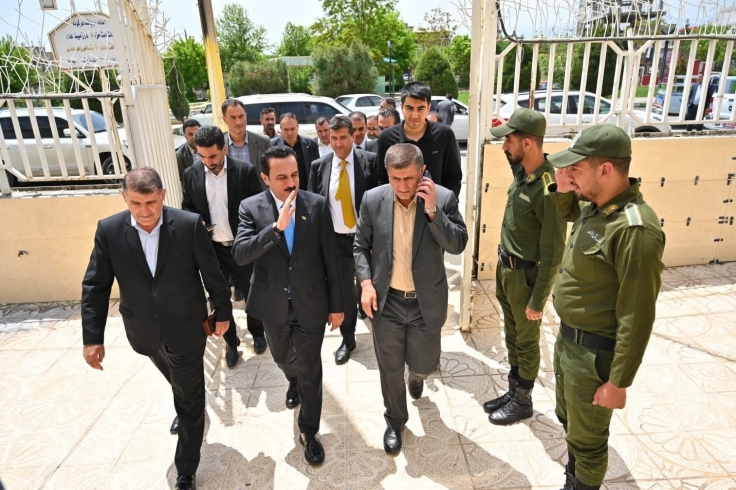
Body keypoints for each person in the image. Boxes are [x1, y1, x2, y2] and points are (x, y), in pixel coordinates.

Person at [81, 168, 232, 490]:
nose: (145, 211)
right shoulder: (108, 230)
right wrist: (92, 338)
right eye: (136, 203)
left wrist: (223, 312)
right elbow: (95, 286)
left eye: (151, 202)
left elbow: (212, 273)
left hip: (187, 328)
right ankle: (187, 401)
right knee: (180, 384)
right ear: (124, 197)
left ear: (163, 195)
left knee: (189, 398)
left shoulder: (188, 225)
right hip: (144, 332)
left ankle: (185, 470)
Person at [547, 124, 665, 490]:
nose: (569, 176)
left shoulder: (634, 230)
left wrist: (619, 382)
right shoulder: (597, 205)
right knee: (570, 421)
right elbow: (571, 211)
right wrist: (564, 187)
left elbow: (637, 314)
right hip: (569, 343)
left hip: (594, 356)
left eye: (576, 169)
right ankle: (573, 476)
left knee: (589, 442)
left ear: (605, 170)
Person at [232, 146, 344, 466]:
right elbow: (241, 254)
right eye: (281, 177)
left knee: (310, 368)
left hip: (310, 302)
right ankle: (292, 380)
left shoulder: (316, 205)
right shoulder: (250, 208)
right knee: (283, 358)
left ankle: (309, 431)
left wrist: (337, 305)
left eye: (295, 174)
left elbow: (331, 258)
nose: (291, 182)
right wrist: (276, 228)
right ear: (265, 178)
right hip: (273, 304)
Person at [354, 143, 468, 454]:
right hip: (387, 301)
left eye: (409, 178)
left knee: (425, 363)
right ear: (387, 174)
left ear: (423, 172)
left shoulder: (443, 198)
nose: (403, 187)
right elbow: (360, 246)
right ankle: (395, 419)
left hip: (425, 302)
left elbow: (458, 244)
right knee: (390, 367)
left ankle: (417, 377)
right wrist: (366, 283)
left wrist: (432, 211)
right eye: (396, 179)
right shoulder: (373, 199)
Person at [483, 109, 566, 425]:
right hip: (507, 271)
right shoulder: (524, 173)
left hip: (527, 276)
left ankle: (523, 401)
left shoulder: (548, 187)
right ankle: (513, 390)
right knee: (512, 335)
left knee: (527, 341)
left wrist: (538, 300)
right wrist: (502, 128)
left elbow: (554, 252)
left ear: (528, 143)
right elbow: (513, 161)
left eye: (509, 140)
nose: (505, 146)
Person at [181, 125, 267, 362]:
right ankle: (231, 342)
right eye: (202, 156)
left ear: (224, 149)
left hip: (243, 247)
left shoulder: (245, 171)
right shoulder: (191, 174)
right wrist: (197, 222)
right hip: (212, 250)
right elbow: (187, 207)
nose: (207, 162)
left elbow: (258, 206)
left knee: (252, 292)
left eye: (212, 156)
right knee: (219, 298)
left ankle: (258, 333)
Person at [307, 115, 379, 364]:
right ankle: (348, 340)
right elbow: (313, 207)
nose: (338, 143)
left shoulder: (370, 161)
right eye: (333, 138)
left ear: (353, 135)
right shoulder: (319, 166)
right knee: (344, 292)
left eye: (343, 138)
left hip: (366, 240)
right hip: (336, 241)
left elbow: (380, 202)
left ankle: (383, 336)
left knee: (371, 286)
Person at [376, 82, 463, 198]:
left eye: (420, 108)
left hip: (436, 206)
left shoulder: (444, 134)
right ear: (401, 107)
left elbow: (454, 177)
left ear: (428, 108)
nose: (414, 115)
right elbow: (381, 178)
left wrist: (445, 204)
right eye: (409, 108)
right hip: (397, 207)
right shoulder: (386, 137)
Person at [221, 99, 270, 184]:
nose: (238, 122)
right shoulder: (218, 143)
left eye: (241, 116)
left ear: (246, 115)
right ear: (224, 119)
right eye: (233, 118)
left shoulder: (263, 142)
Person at [271, 113, 320, 191]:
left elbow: (317, 171)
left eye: (292, 129)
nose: (290, 133)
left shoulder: (311, 145)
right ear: (280, 129)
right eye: (286, 129)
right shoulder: (272, 145)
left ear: (298, 127)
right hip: (282, 191)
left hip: (306, 192)